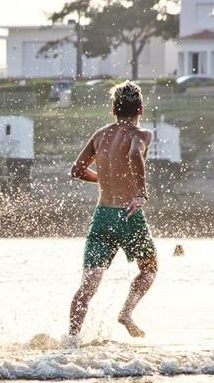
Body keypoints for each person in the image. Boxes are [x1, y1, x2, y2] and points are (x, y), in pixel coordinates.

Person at [68, 81, 158, 339]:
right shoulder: (142, 134)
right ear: (140, 108)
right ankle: (126, 312)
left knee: (87, 286)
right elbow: (133, 155)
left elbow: (76, 170)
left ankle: (72, 340)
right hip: (129, 215)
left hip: (102, 217)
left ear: (113, 109)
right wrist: (140, 194)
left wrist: (105, 179)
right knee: (149, 269)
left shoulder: (100, 135)